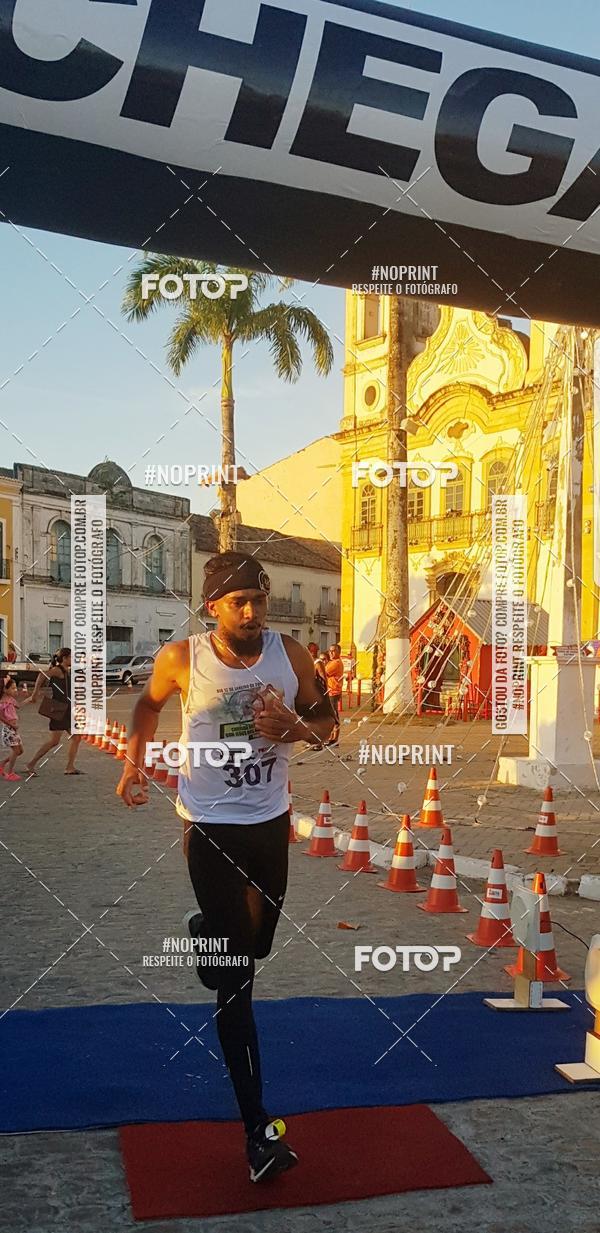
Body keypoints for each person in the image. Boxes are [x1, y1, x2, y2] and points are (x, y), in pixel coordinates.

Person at [117, 551, 336, 1183]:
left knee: (256, 945)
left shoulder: (290, 655)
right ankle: (258, 1133)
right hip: (208, 828)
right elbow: (147, 706)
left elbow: (329, 725)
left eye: (260, 601)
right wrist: (135, 759)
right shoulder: (182, 659)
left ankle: (209, 937)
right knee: (239, 981)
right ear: (213, 606)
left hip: (270, 826)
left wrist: (296, 727)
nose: (252, 612)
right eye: (239, 602)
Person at [26, 648, 83, 775]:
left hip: (67, 710)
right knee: (54, 741)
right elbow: (41, 675)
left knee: (77, 737)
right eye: (71, 657)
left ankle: (70, 767)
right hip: (58, 709)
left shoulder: (66, 671)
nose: (73, 659)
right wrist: (35, 694)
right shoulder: (58, 670)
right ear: (65, 658)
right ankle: (31, 764)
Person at [0, 676, 31, 780]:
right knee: (16, 751)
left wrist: (29, 699)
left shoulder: (11, 700)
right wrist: (11, 725)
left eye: (15, 688)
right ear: (5, 689)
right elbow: (1, 716)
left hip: (13, 729)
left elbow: (19, 705)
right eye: (13, 688)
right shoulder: (2, 702)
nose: (15, 690)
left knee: (20, 751)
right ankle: (9, 773)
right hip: (9, 729)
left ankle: (2, 763)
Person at [324, 643, 344, 746]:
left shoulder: (336, 663)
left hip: (333, 692)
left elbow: (324, 672)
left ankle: (335, 739)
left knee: (333, 715)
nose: (331, 653)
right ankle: (331, 737)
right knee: (330, 715)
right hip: (330, 691)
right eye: (330, 651)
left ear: (338, 652)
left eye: (333, 651)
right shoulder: (332, 662)